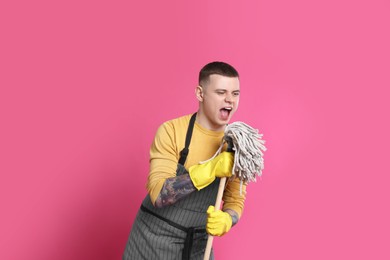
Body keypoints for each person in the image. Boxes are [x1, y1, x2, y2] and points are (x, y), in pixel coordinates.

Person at [123, 61, 247, 260]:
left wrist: (227, 219)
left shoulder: (238, 145)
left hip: (197, 246)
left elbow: (235, 200)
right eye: (221, 92)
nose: (229, 100)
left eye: (235, 93)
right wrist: (210, 169)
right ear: (200, 93)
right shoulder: (171, 131)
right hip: (152, 240)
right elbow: (159, 195)